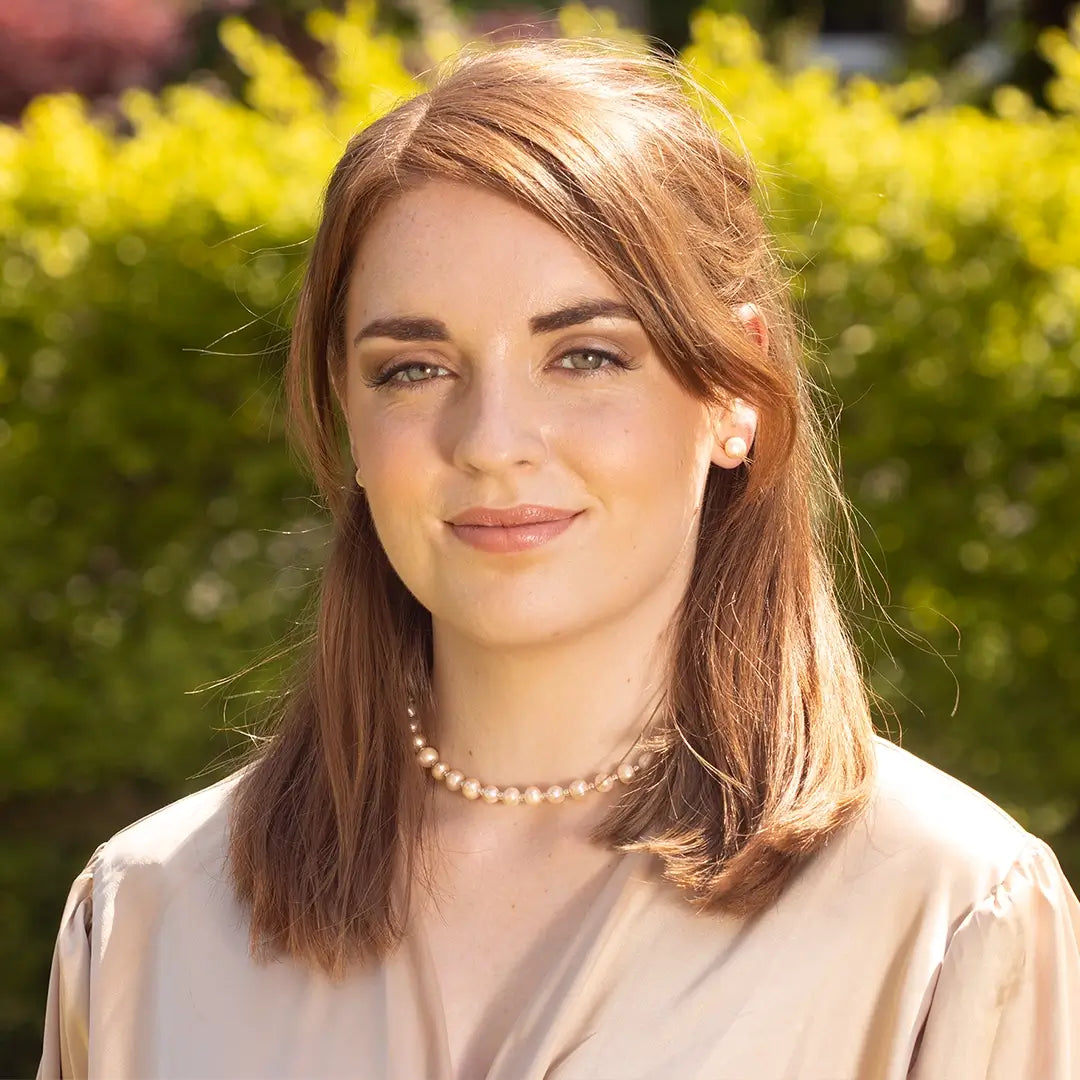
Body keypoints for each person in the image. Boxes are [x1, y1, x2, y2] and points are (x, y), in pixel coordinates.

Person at [36, 33, 1080, 1080]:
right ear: (348, 416)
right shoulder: (149, 919)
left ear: (736, 394)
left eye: (584, 355)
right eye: (413, 368)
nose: (490, 442)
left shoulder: (949, 918)